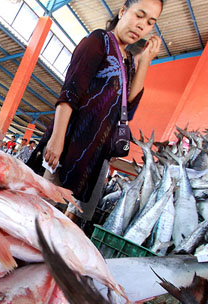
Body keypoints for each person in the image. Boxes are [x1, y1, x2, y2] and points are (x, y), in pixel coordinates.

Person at [26, 0, 163, 222]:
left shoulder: (127, 61)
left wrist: (145, 61)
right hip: (68, 146)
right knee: (36, 211)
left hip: (91, 156)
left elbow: (128, 105)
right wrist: (57, 139)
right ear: (122, 12)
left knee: (53, 218)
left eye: (149, 23)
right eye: (139, 15)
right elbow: (71, 90)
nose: (142, 26)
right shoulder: (99, 41)